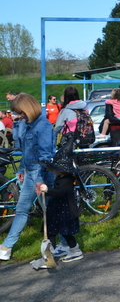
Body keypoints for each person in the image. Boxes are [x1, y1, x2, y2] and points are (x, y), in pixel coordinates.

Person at [0, 93, 56, 261]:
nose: (19, 115)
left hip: (41, 173)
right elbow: (26, 150)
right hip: (32, 172)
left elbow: (45, 155)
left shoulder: (43, 126)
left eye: (20, 112)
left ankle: (67, 245)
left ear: (28, 108)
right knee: (26, 209)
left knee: (50, 211)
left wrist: (39, 179)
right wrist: (22, 168)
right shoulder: (28, 124)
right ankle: (6, 247)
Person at [35, 158, 82, 263]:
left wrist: (47, 190)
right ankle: (49, 255)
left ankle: (75, 251)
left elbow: (60, 192)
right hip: (56, 210)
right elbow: (56, 192)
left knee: (66, 233)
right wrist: (45, 192)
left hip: (65, 211)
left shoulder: (67, 180)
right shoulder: (61, 178)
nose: (53, 171)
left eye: (55, 169)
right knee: (51, 231)